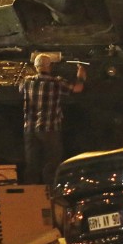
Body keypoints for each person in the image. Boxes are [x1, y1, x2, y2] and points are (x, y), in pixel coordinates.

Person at [21, 54, 86, 184]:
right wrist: (81, 74)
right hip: (50, 129)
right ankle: (50, 191)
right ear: (50, 66)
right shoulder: (56, 82)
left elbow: (21, 88)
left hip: (30, 129)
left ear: (35, 66)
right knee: (52, 162)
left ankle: (31, 192)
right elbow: (78, 88)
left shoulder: (27, 82)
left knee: (32, 163)